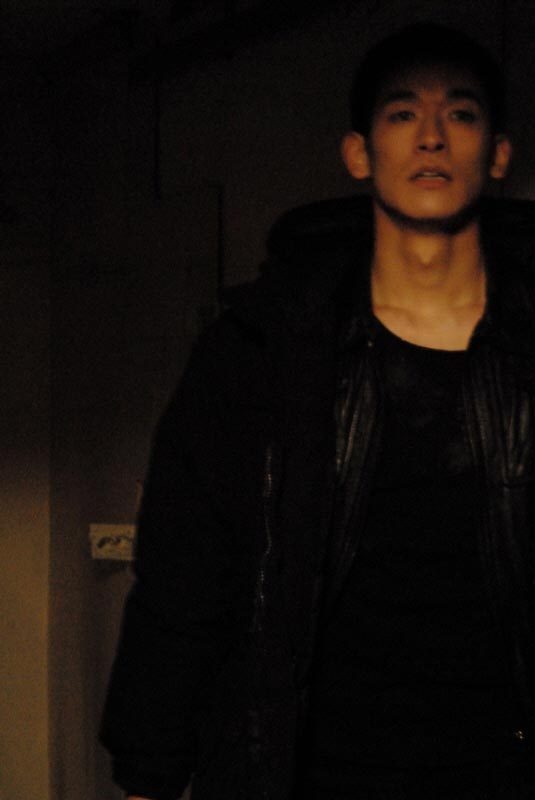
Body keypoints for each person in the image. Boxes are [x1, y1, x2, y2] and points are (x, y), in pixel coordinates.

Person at [101, 22, 535, 800]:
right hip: (311, 774)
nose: (431, 137)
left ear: (498, 154)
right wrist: (148, 773)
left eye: (460, 114)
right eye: (401, 114)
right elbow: (185, 574)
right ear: (358, 154)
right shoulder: (261, 347)